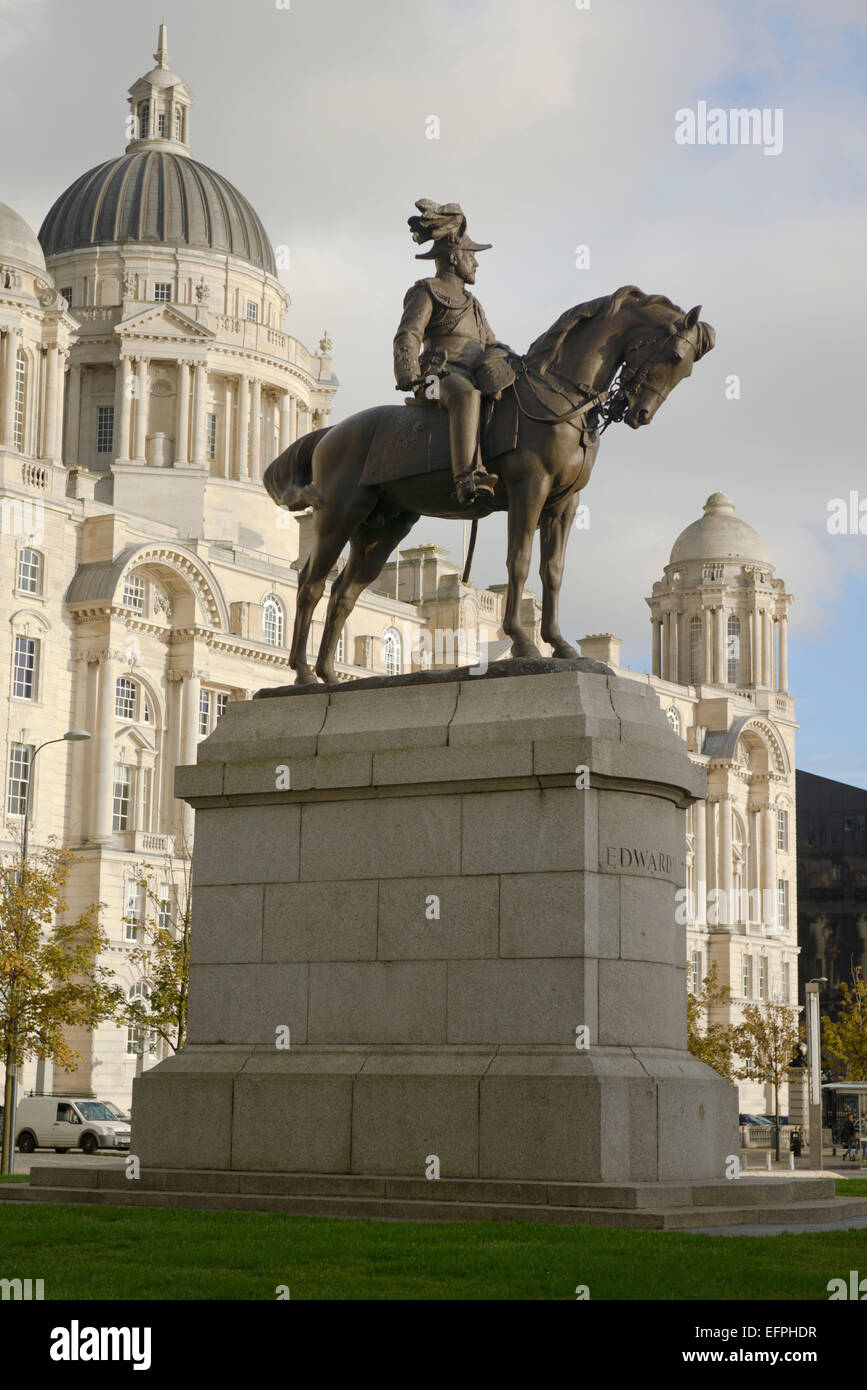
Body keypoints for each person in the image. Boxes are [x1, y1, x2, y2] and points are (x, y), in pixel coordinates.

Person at [394, 200, 511, 506]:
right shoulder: (426, 290)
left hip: (473, 373)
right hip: (435, 379)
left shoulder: (474, 304)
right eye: (472, 256)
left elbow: (491, 343)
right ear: (456, 256)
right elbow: (409, 334)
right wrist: (409, 374)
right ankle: (467, 479)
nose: (476, 263)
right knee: (467, 395)